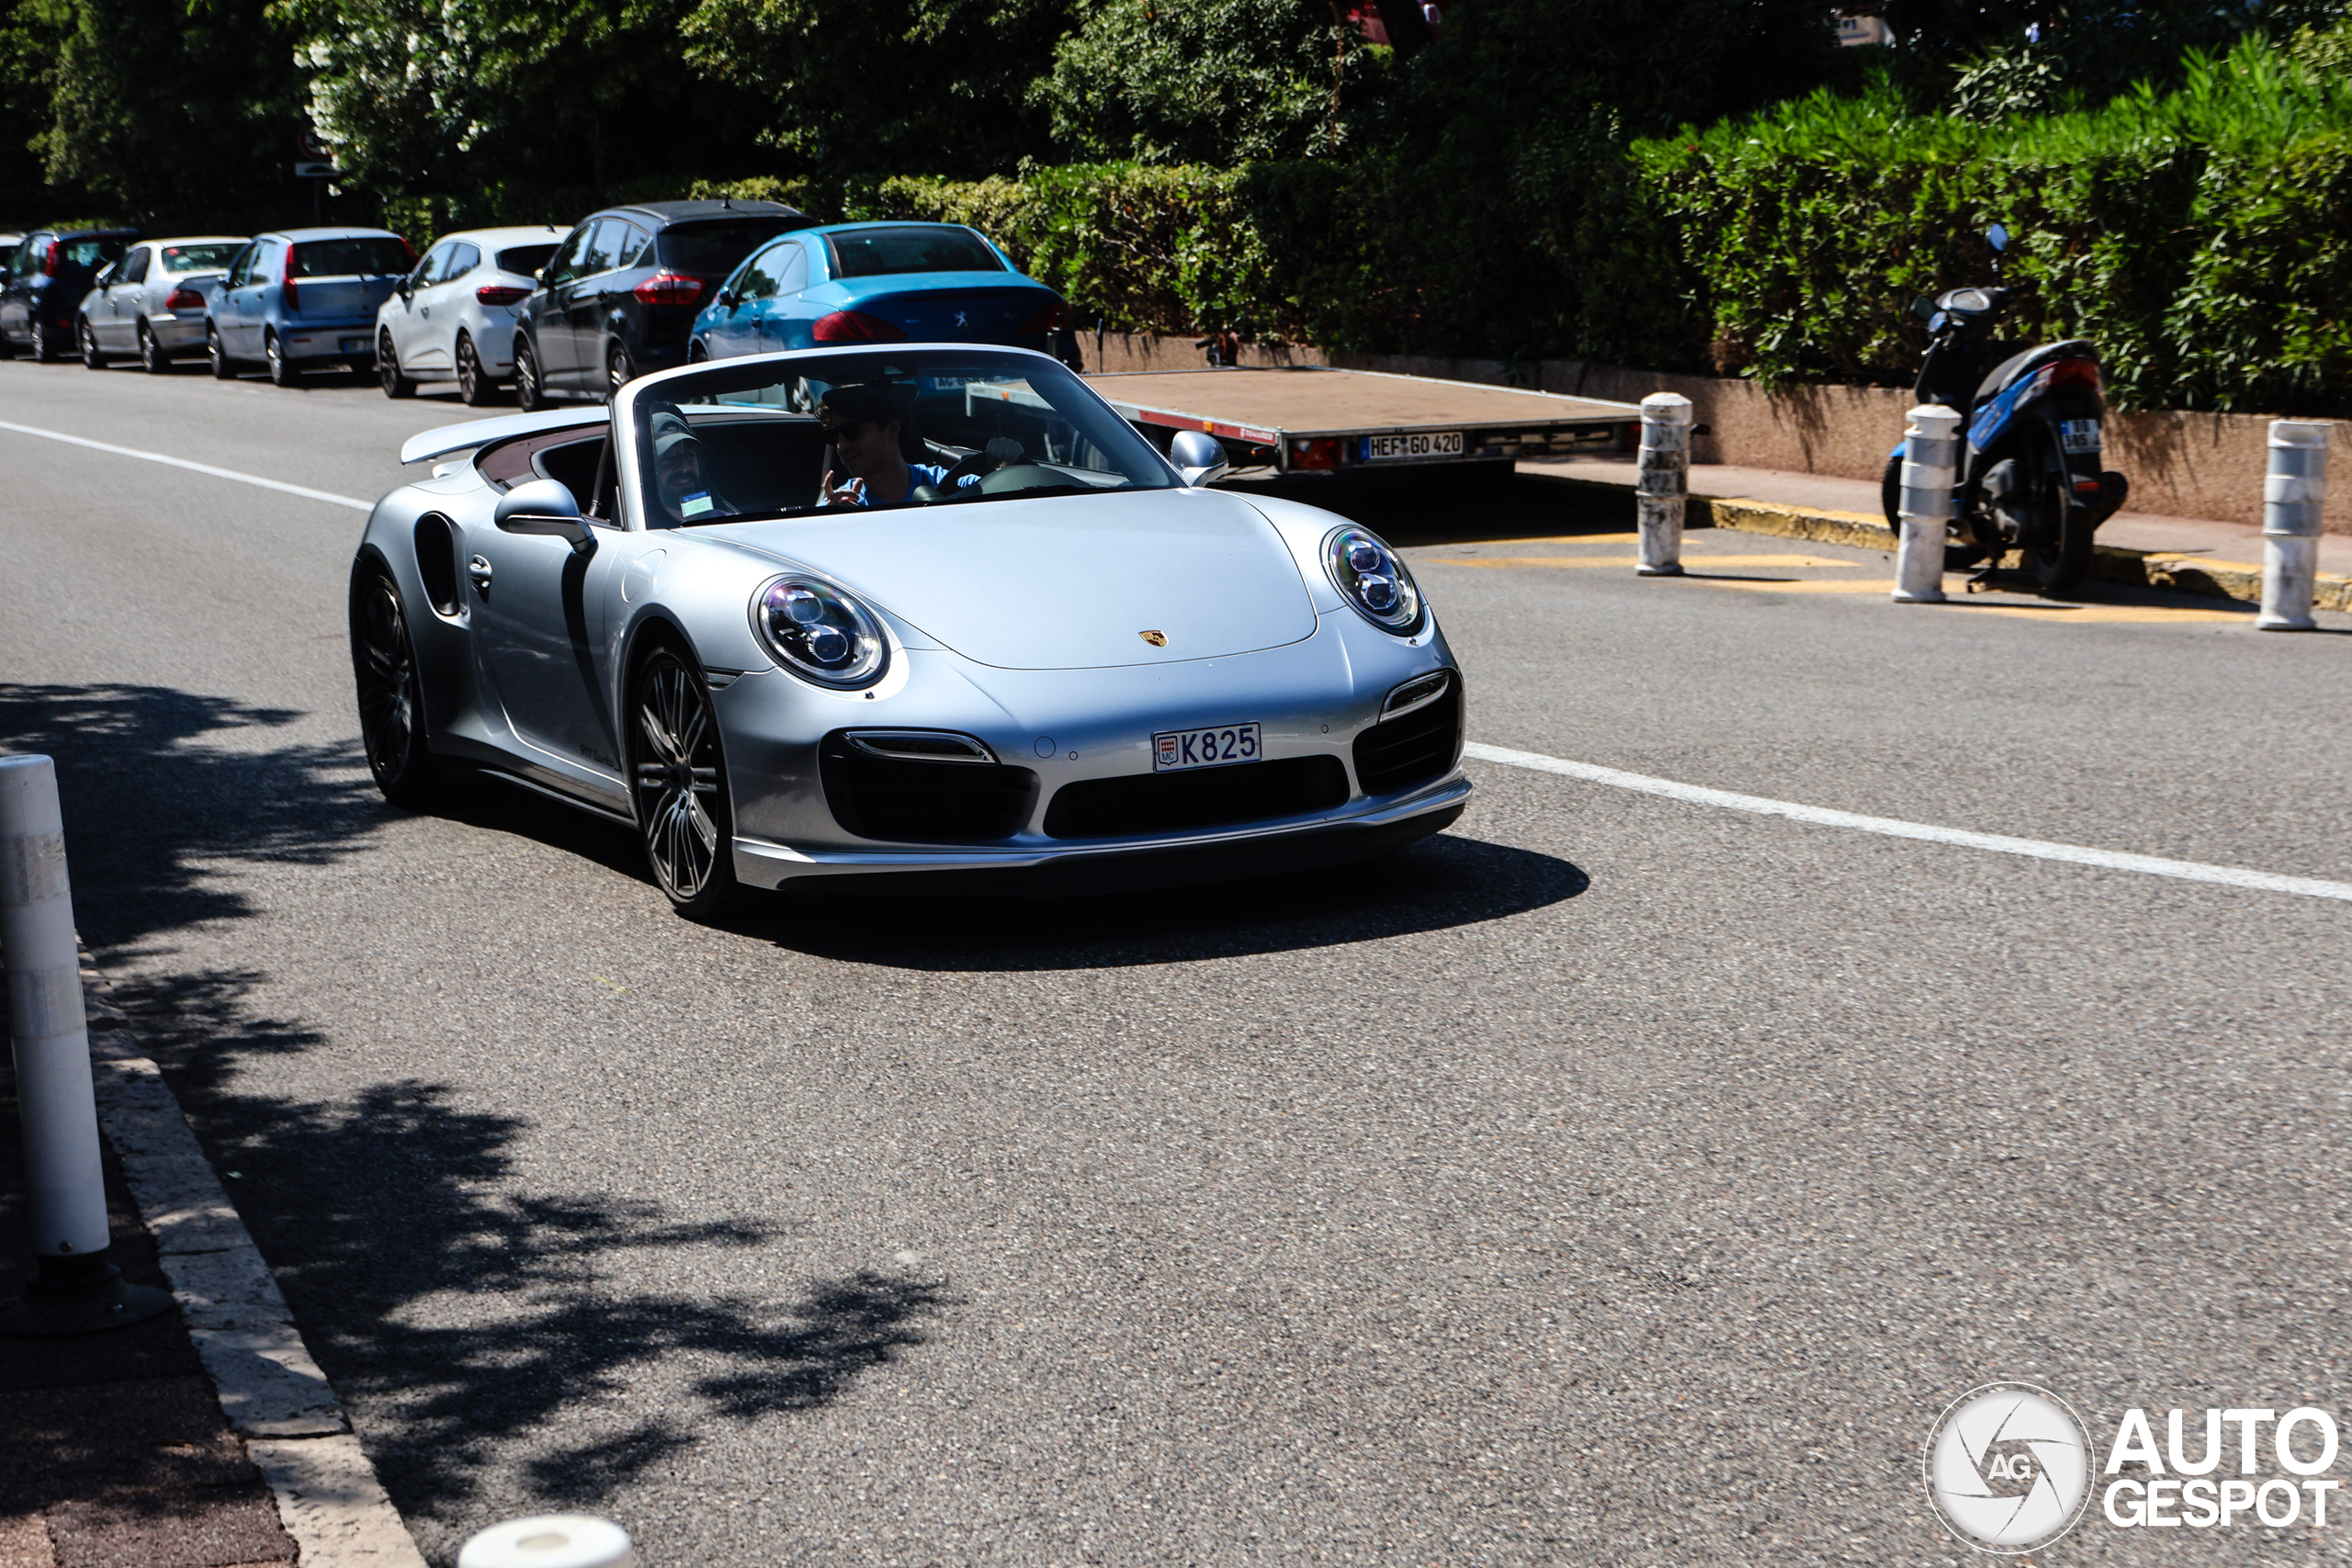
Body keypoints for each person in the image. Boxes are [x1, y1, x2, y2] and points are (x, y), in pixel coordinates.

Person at [818, 381, 988, 508]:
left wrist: (1003, 464)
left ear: (892, 428)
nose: (841, 446)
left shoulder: (941, 483)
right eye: (834, 436)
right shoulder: (839, 505)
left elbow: (992, 491)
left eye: (851, 431)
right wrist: (832, 523)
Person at [649, 408, 735, 525]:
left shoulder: (730, 524)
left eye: (689, 456)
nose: (683, 468)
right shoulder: (641, 526)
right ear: (649, 470)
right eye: (668, 460)